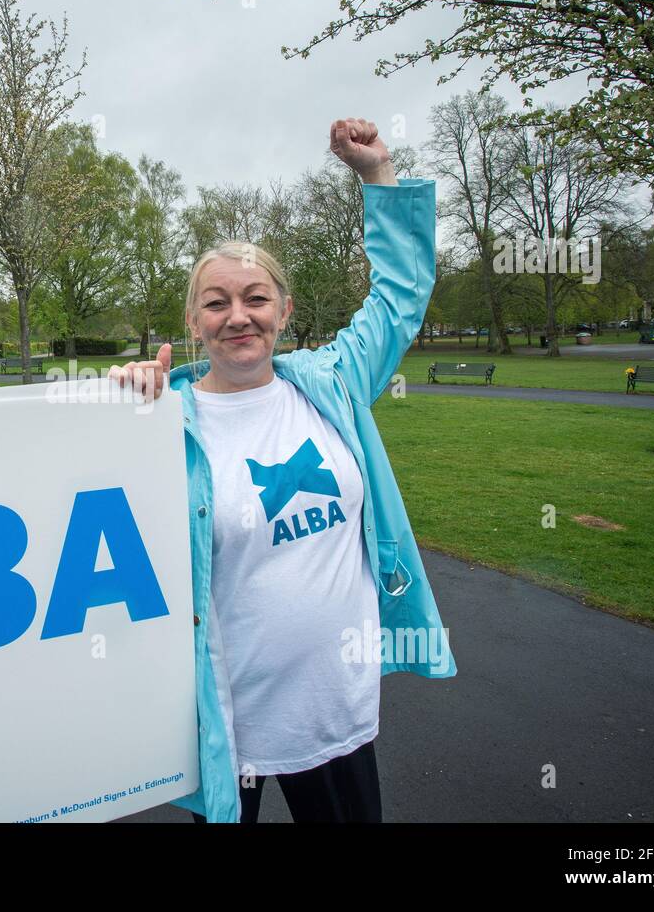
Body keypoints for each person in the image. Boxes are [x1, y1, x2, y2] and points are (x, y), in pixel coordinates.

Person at [108, 118, 456, 823]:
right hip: (227, 713)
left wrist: (378, 176)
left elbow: (398, 297)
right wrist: (117, 406)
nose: (239, 316)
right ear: (193, 320)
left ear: (285, 311)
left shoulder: (333, 381)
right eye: (217, 302)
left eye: (256, 299)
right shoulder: (160, 421)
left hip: (334, 709)